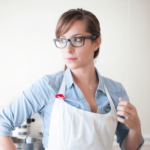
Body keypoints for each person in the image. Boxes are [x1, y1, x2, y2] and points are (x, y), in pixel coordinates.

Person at [0, 8, 144, 150]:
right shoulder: (48, 86)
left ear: (96, 43)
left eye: (77, 39)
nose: (68, 49)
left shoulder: (116, 91)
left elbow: (129, 147)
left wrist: (136, 127)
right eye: (62, 40)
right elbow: (2, 123)